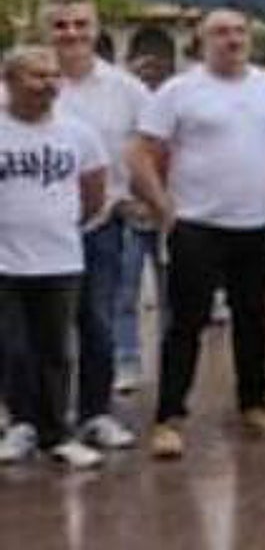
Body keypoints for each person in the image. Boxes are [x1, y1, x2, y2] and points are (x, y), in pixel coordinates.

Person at [129, 9, 265, 459]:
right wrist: (165, 209)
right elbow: (142, 154)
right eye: (222, 32)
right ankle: (169, 418)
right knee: (186, 323)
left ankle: (254, 404)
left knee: (251, 317)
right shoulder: (179, 91)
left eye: (241, 30)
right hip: (197, 225)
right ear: (202, 41)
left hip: (259, 222)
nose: (233, 39)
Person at [41, 0, 148, 449]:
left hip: (101, 225)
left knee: (98, 323)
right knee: (34, 329)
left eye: (80, 24)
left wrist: (141, 199)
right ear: (47, 31)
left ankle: (95, 413)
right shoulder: (22, 85)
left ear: (96, 28)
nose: (72, 33)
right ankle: (37, 417)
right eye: (61, 25)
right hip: (35, 230)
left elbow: (147, 147)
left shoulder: (126, 89)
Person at [0, 46, 107, 469]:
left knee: (56, 349)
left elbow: (94, 190)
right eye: (36, 76)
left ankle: (57, 432)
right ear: (9, 81)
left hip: (61, 257)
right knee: (12, 347)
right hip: (5, 261)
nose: (47, 84)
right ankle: (21, 424)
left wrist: (66, 223)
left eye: (52, 76)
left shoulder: (78, 133)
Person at [113, 53, 172, 394]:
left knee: (170, 297)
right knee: (124, 293)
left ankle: (170, 360)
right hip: (132, 217)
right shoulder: (127, 134)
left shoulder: (172, 134)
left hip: (167, 219)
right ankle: (126, 360)